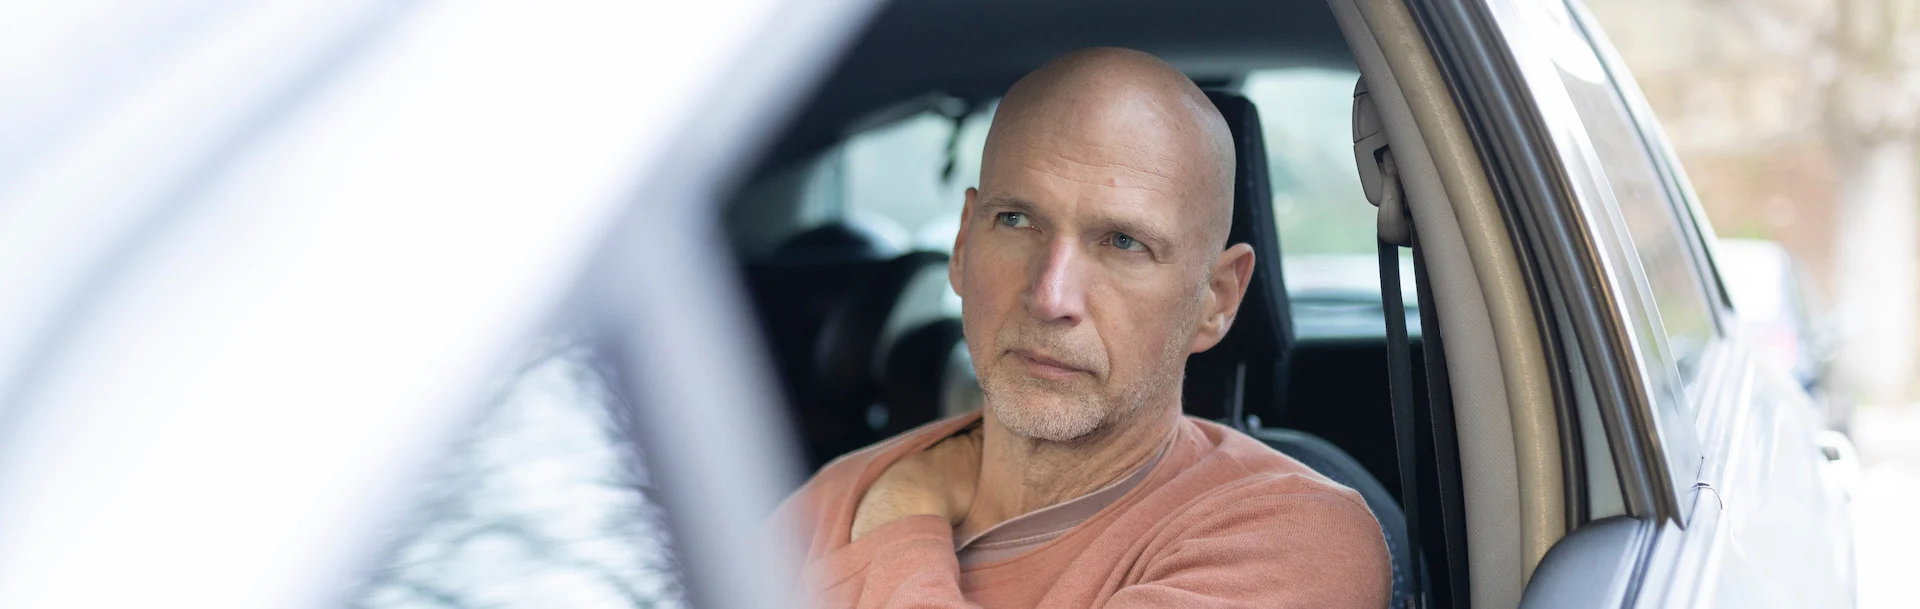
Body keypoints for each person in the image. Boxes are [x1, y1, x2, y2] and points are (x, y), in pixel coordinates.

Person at [776, 47, 1390, 608]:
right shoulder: (828, 501)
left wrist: (898, 523)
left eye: (1123, 242)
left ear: (1217, 299)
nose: (1050, 296)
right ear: (962, 245)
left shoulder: (1290, 538)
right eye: (1016, 221)